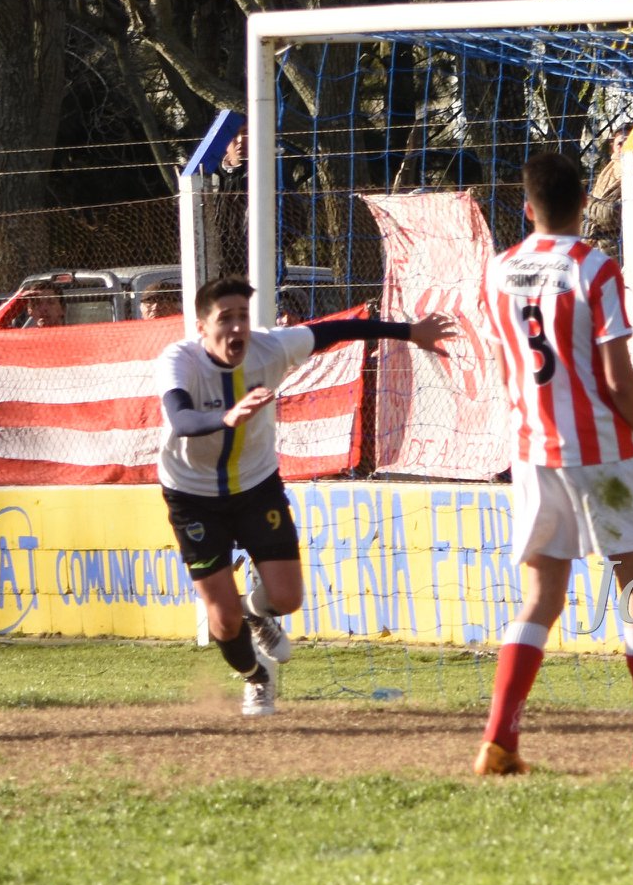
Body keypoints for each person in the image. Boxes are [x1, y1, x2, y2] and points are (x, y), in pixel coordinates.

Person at [475, 147, 633, 775]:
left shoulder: (498, 271)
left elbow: (506, 370)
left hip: (533, 454)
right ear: (582, 202)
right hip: (604, 458)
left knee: (542, 595)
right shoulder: (594, 268)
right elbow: (618, 377)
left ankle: (500, 741)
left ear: (528, 207)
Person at [156, 275, 455, 716]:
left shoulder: (271, 347)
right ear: (202, 327)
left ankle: (256, 612)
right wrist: (228, 417)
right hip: (191, 493)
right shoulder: (179, 360)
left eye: (243, 316)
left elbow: (336, 331)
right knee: (222, 619)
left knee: (287, 599)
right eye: (225, 318)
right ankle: (257, 678)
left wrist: (411, 332)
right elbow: (181, 419)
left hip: (256, 486)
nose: (237, 327)